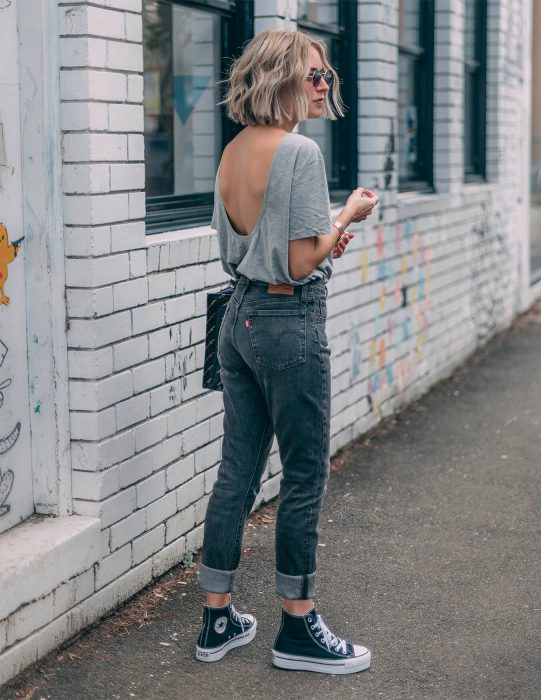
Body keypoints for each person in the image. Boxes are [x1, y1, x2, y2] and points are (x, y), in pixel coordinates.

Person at [196, 29, 378, 675]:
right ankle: (297, 631)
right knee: (304, 476)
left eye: (327, 74)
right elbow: (302, 260)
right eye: (312, 75)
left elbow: (256, 245)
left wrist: (316, 240)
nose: (324, 85)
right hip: (287, 320)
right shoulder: (298, 151)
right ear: (277, 78)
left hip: (238, 315)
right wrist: (345, 218)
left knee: (237, 471)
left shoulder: (234, 149)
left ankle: (217, 618)